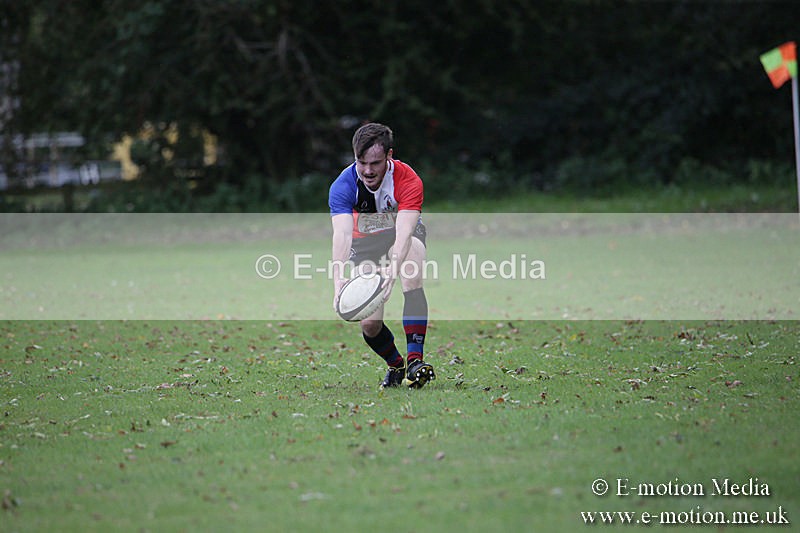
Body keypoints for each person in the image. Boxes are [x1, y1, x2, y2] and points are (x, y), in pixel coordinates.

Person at [329, 123, 435, 389]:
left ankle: (415, 362)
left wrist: (392, 271)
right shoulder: (343, 185)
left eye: (375, 163)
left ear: (389, 155)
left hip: (400, 234)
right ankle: (396, 365)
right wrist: (338, 280)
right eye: (361, 162)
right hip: (364, 243)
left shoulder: (408, 179)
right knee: (370, 324)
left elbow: (404, 233)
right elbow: (342, 235)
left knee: (411, 270)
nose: (367, 170)